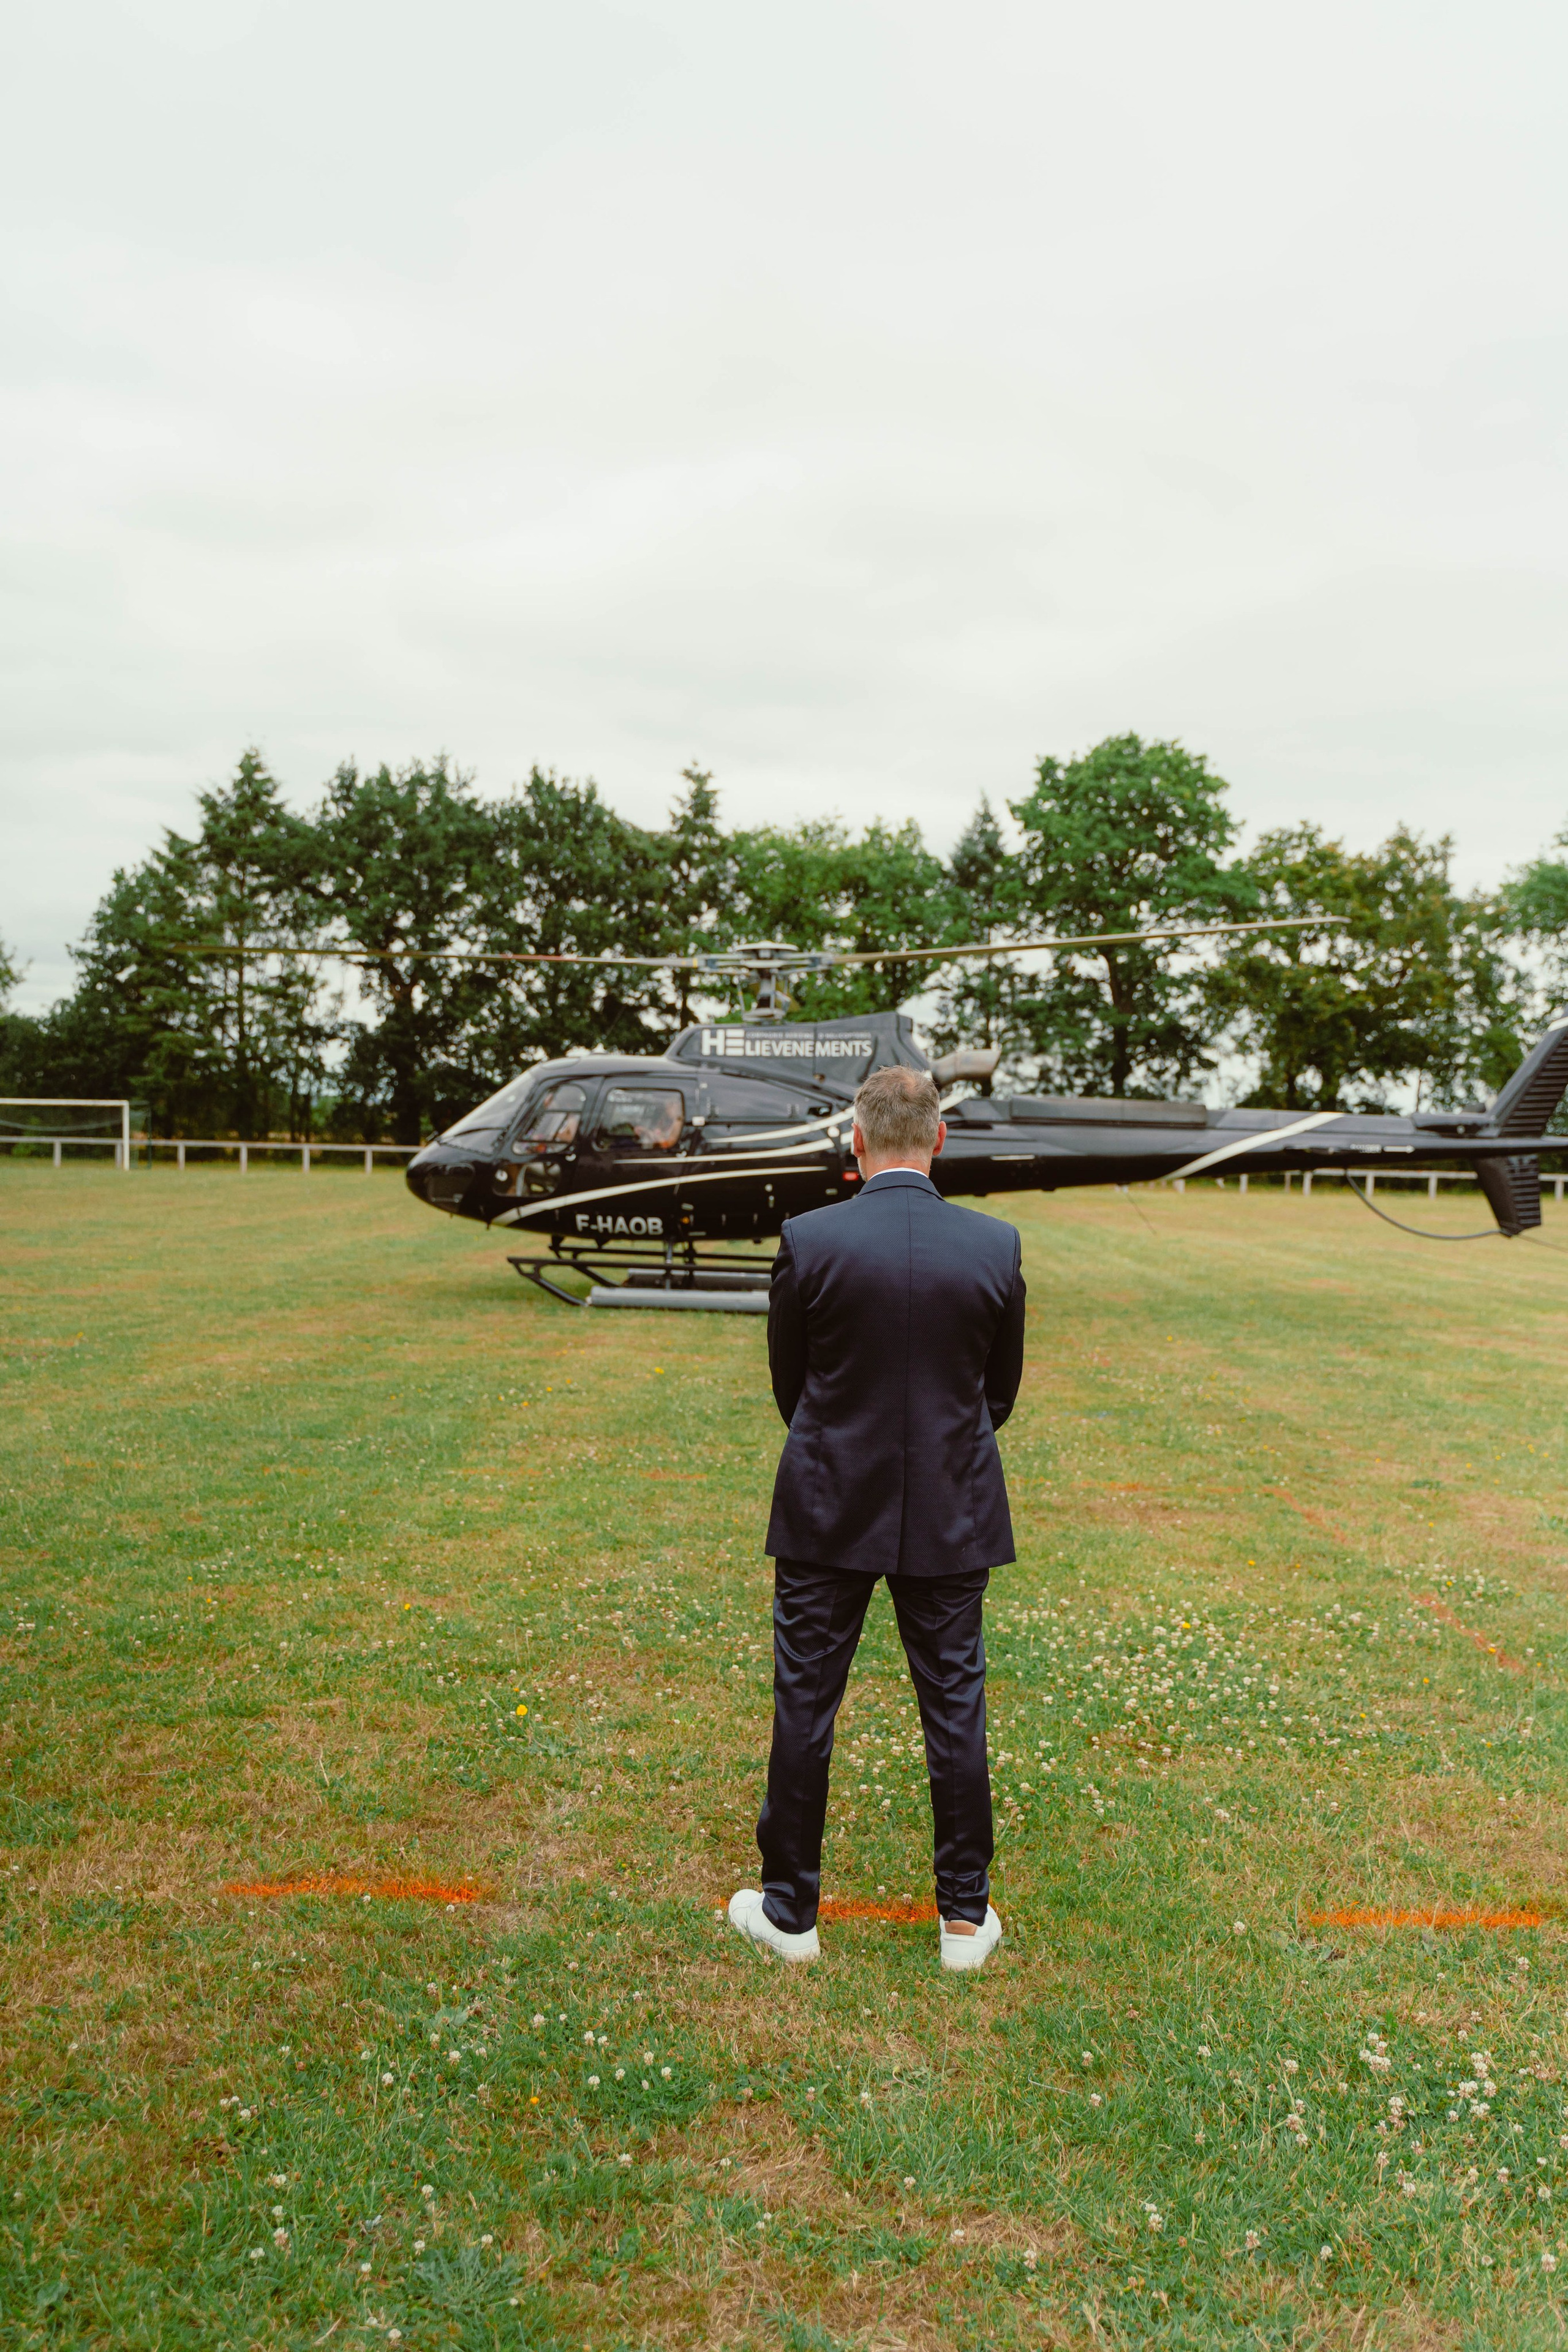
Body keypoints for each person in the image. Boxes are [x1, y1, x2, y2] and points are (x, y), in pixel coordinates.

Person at [728, 1061, 1026, 1972]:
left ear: (856, 1142)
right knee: (955, 1706)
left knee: (806, 1704)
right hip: (951, 1502)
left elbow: (794, 1385)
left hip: (829, 1500)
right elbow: (996, 1396)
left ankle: (791, 1913)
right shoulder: (994, 1244)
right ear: (939, 1138)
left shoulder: (809, 1238)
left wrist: (841, 1446)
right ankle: (964, 1922)